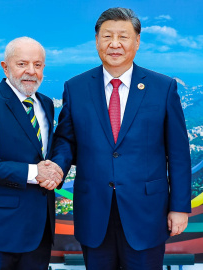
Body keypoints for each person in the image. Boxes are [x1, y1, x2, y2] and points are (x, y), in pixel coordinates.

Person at [52, 7, 191, 270]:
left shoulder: (163, 87)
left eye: (123, 37)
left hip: (147, 212)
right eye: (107, 36)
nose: (114, 44)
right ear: (96, 41)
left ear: (137, 41)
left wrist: (180, 207)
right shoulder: (76, 87)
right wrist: (57, 166)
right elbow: (66, 140)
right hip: (94, 210)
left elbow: (179, 153)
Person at [0, 37, 63, 270]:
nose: (31, 71)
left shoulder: (46, 104)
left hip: (40, 230)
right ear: (5, 67)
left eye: (38, 65)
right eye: (22, 64)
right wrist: (34, 172)